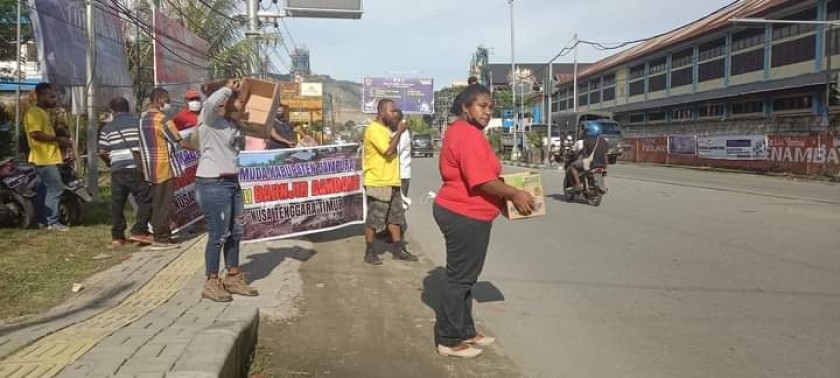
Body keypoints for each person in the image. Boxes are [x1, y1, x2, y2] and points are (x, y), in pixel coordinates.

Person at [433, 84, 535, 358]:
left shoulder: (465, 132)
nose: (488, 112)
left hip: (467, 212)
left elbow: (481, 177)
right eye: (482, 106)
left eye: (490, 107)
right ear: (465, 108)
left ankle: (465, 330)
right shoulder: (467, 135)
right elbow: (481, 180)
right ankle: (449, 339)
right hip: (463, 214)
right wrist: (514, 193)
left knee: (466, 278)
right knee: (459, 279)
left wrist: (506, 199)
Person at [194, 79, 259, 302]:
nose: (242, 104)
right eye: (239, 100)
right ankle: (211, 281)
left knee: (236, 232)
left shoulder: (232, 124)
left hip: (232, 183)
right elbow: (211, 102)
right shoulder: (211, 119)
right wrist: (229, 88)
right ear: (227, 101)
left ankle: (232, 276)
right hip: (213, 183)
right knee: (218, 234)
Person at [362, 99, 418, 265]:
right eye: (392, 111)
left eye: (395, 111)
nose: (395, 114)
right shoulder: (374, 130)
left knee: (396, 218)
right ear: (381, 112)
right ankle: (370, 252)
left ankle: (398, 249)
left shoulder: (385, 129)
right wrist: (399, 132)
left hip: (392, 180)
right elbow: (388, 151)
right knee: (375, 219)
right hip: (378, 182)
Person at [138, 88, 189, 250]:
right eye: (167, 100)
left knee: (157, 202)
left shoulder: (143, 118)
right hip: (164, 167)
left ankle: (163, 233)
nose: (168, 104)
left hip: (150, 167)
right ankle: (161, 237)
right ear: (159, 100)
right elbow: (179, 141)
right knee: (163, 203)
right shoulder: (162, 119)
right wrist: (201, 147)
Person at [98, 97, 153, 247]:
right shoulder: (138, 123)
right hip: (135, 166)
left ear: (113, 111)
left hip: (117, 170)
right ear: (128, 108)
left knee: (117, 203)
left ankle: (117, 236)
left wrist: (110, 162)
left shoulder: (107, 128)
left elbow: (102, 151)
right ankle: (139, 230)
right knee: (145, 197)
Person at [24, 83, 70, 231]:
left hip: (50, 157)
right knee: (56, 188)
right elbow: (35, 134)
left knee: (43, 190)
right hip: (43, 158)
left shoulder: (43, 113)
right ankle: (53, 222)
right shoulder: (34, 113)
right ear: (41, 96)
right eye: (51, 96)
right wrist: (57, 140)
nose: (54, 100)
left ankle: (42, 220)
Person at [567, 122, 609, 191]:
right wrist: (605, 167)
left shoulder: (586, 141)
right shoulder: (605, 142)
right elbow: (605, 156)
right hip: (602, 165)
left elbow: (584, 154)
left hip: (591, 164)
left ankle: (578, 185)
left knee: (573, 167)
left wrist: (581, 159)